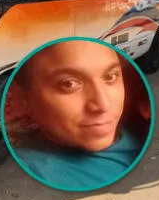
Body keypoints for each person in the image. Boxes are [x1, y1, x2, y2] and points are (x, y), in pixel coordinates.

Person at [9, 39, 143, 189]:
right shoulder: (40, 169)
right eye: (68, 84)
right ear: (25, 97)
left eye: (110, 76)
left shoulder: (134, 131)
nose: (103, 104)